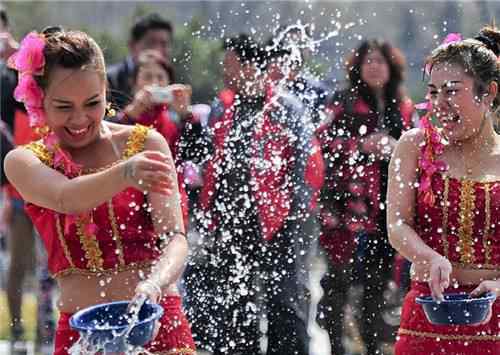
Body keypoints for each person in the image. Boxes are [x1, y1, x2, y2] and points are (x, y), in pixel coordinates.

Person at [3, 27, 195, 355]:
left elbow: (176, 238)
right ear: (39, 100)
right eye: (64, 107)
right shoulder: (25, 161)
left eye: (92, 102)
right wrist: (127, 172)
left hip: (158, 327)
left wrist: (155, 283)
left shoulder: (146, 143)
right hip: (81, 337)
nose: (80, 119)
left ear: (106, 90)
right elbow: (68, 197)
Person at [192, 33, 324, 355]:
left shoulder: (286, 106)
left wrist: (293, 218)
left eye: (231, 65)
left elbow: (307, 166)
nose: (225, 73)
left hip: (281, 223)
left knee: (285, 303)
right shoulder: (223, 108)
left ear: (252, 67)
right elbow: (209, 159)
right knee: (236, 306)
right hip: (233, 222)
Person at [388, 26, 500, 355]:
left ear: (488, 93)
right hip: (426, 315)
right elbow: (397, 224)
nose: (439, 104)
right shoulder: (415, 146)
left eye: (451, 91)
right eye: (433, 92)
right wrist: (429, 256)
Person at [315, 39, 416, 355]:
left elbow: (416, 150)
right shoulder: (343, 102)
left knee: (377, 284)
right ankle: (335, 347)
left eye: (380, 61)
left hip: (387, 209)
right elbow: (321, 143)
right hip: (343, 209)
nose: (375, 66)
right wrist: (361, 147)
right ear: (358, 67)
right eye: (368, 61)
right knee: (338, 283)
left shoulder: (402, 106)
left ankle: (370, 346)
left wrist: (394, 148)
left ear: (391, 68)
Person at [107, 13, 174, 110]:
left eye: (164, 44)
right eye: (151, 43)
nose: (156, 51)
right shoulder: (109, 80)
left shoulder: (169, 82)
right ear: (132, 45)